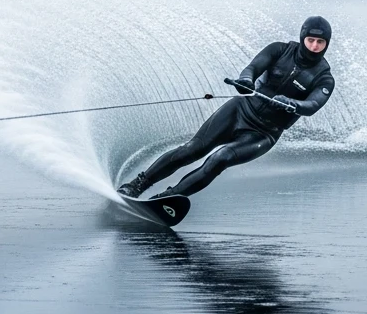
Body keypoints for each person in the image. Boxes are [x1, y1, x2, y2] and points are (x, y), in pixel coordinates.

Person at [118, 16, 335, 200]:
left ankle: (167, 199)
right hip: (239, 110)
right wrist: (246, 81)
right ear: (302, 38)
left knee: (220, 159)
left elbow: (312, 105)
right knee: (193, 149)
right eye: (310, 40)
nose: (314, 46)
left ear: (326, 43)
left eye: (320, 42)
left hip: (264, 133)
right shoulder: (279, 50)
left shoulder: (324, 78)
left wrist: (293, 104)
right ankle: (138, 185)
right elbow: (252, 68)